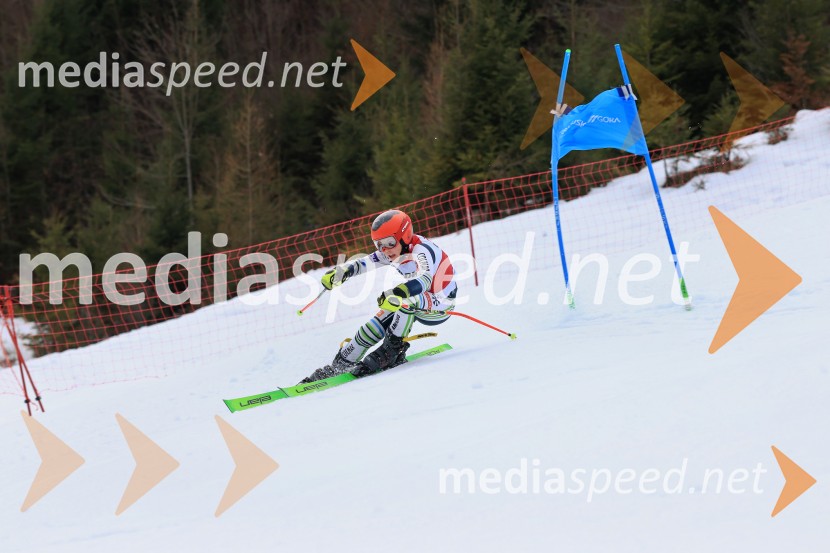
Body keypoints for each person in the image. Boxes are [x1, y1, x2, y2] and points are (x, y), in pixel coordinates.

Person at [300, 209, 457, 383]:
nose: (385, 249)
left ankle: (392, 350)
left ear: (404, 236)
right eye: (378, 244)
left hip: (441, 304)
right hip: (416, 302)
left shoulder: (421, 250)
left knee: (404, 300)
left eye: (389, 242)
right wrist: (343, 272)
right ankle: (341, 364)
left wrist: (398, 292)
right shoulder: (392, 251)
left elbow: (425, 281)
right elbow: (364, 263)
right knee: (372, 326)